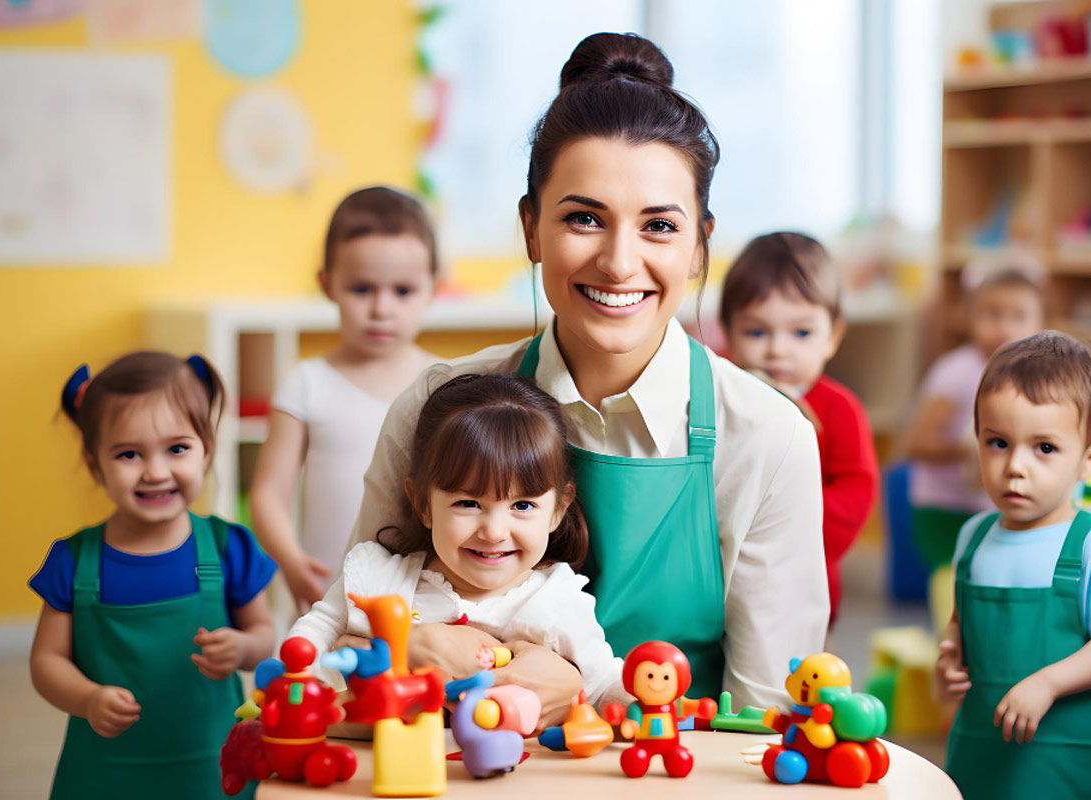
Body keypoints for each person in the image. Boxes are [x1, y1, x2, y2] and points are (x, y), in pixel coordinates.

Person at [342, 32, 827, 728]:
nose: (620, 262)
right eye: (584, 218)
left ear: (699, 246)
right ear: (531, 229)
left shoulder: (767, 439)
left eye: (659, 225)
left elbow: (766, 727)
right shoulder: (434, 406)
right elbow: (334, 661)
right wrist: (405, 647)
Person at [291, 372, 629, 707]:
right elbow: (304, 652)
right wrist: (310, 679)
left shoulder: (558, 598)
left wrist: (636, 700)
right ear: (423, 504)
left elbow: (602, 684)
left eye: (522, 505)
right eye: (468, 504)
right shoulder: (377, 578)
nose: (494, 532)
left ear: (559, 508)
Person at [29, 352, 276, 799]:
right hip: (104, 777)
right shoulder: (75, 560)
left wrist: (240, 647)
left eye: (177, 448)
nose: (156, 472)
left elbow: (263, 636)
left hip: (213, 771)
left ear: (206, 450)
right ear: (94, 463)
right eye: (128, 453)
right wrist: (87, 699)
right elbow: (46, 663)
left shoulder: (227, 547)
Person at [935, 331, 1091, 799]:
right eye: (998, 443)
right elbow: (960, 619)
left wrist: (1048, 683)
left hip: (1067, 763)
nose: (1016, 466)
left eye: (1044, 449)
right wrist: (949, 652)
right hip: (980, 754)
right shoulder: (973, 536)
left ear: (1089, 460)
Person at [250, 186, 439, 616]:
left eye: (403, 291)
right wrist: (291, 561)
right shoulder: (307, 383)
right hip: (326, 600)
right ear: (327, 284)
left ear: (433, 288)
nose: (381, 308)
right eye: (361, 289)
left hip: (424, 601)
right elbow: (267, 494)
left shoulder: (446, 383)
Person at [719, 232, 877, 622]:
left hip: (808, 579)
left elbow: (858, 489)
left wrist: (792, 532)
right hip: (723, 577)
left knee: (809, 675)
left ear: (833, 336)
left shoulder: (839, 409)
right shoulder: (721, 397)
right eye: (756, 332)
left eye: (801, 333)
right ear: (728, 331)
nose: (777, 349)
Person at [904, 261, 1045, 571]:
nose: (1006, 328)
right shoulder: (956, 373)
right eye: (993, 314)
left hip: (992, 506)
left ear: (1040, 323)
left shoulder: (1033, 377)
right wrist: (968, 450)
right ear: (970, 317)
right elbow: (915, 443)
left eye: (1019, 317)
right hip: (946, 510)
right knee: (958, 589)